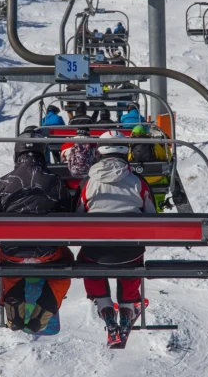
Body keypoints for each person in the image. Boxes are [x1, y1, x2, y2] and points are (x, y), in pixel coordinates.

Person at [77, 131, 157, 343]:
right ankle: (127, 310)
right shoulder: (138, 182)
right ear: (125, 151)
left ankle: (106, 311)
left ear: (99, 151)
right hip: (130, 252)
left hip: (96, 253)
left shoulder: (88, 183)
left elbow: (76, 217)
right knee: (132, 262)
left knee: (87, 262)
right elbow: (153, 217)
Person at [0, 128, 75, 332]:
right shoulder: (54, 181)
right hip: (47, 254)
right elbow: (67, 217)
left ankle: (13, 293)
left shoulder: (3, 182)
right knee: (66, 260)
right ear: (43, 153)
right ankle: (49, 301)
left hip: (12, 254)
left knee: (6, 255)